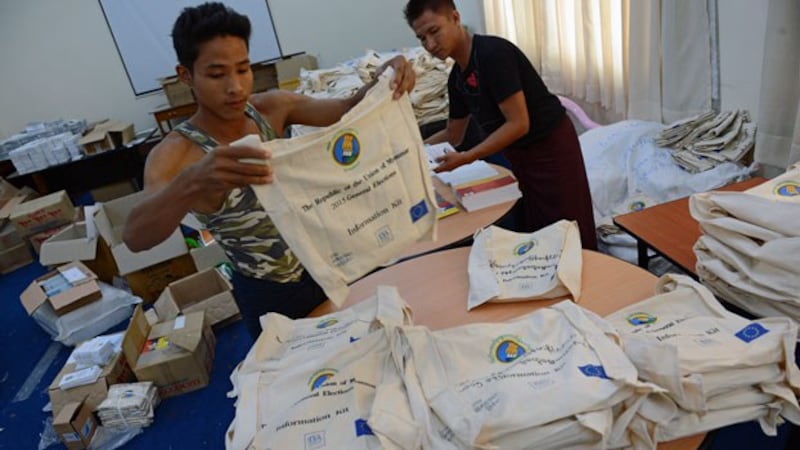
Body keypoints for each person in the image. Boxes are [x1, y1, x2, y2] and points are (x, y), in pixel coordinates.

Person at [122, 2, 415, 340]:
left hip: (323, 263)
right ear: (185, 75)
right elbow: (135, 237)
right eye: (217, 74)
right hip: (267, 290)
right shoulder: (176, 154)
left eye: (243, 69)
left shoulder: (270, 109)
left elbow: (347, 109)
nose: (235, 87)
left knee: (358, 348)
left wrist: (387, 75)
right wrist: (191, 182)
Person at [404, 0, 598, 250]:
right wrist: (412, 151)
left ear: (455, 17)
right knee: (537, 231)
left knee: (569, 229)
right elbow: (453, 134)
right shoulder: (457, 79)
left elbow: (518, 124)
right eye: (421, 38)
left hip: (550, 148)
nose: (430, 45)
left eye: (434, 31)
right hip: (519, 155)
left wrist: (467, 157)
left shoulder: (492, 54)